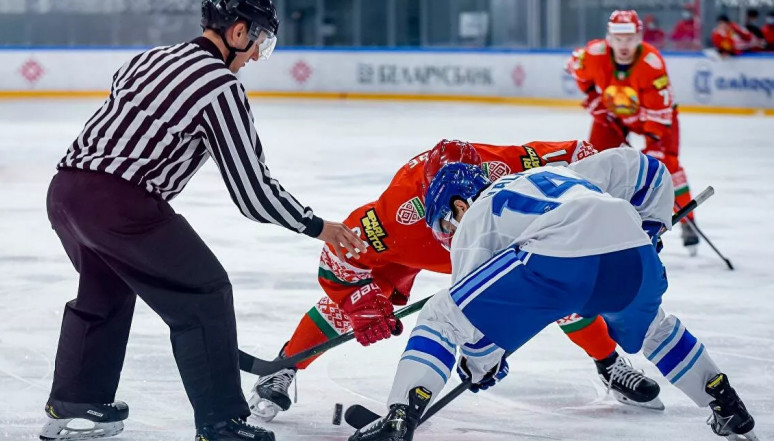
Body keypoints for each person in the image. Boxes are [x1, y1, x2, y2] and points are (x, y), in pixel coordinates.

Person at [39, 0, 365, 441]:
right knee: (205, 293)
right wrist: (316, 226)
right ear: (237, 32)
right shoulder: (220, 87)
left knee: (105, 289)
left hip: (66, 192)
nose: (255, 57)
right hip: (120, 203)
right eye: (259, 43)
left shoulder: (149, 57)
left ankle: (77, 399)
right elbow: (251, 190)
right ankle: (221, 422)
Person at [349, 147, 758, 441]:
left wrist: (481, 366)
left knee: (441, 314)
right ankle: (724, 401)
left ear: (457, 205)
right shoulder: (564, 173)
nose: (448, 235)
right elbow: (647, 169)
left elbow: (473, 328)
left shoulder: (473, 220)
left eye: (444, 223)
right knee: (655, 328)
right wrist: (649, 229)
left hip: (558, 261)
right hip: (631, 255)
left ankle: (400, 414)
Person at [248, 139, 663, 422]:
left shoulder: (513, 165)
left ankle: (609, 363)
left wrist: (630, 220)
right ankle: (284, 366)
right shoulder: (395, 218)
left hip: (507, 233)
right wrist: (361, 299)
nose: (456, 231)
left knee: (562, 284)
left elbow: (589, 156)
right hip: (413, 251)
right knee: (357, 305)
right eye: (447, 222)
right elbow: (336, 258)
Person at [566, 9, 700, 252]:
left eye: (629, 38)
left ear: (639, 37)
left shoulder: (652, 63)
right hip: (613, 115)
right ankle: (594, 218)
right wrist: (594, 99)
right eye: (618, 39)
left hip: (656, 118)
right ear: (609, 38)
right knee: (593, 160)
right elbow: (576, 69)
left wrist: (652, 145)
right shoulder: (595, 54)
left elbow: (658, 115)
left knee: (666, 164)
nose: (623, 45)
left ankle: (687, 220)